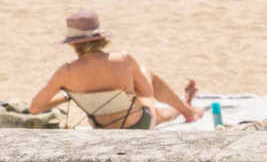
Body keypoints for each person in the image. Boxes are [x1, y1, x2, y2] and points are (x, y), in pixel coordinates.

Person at [29, 11, 205, 129]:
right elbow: (148, 93)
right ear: (101, 37)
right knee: (146, 77)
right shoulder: (123, 59)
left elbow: (35, 108)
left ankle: (186, 106)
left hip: (103, 130)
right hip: (137, 127)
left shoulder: (65, 72)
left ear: (73, 43)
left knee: (151, 112)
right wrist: (123, 90)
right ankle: (187, 110)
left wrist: (70, 95)